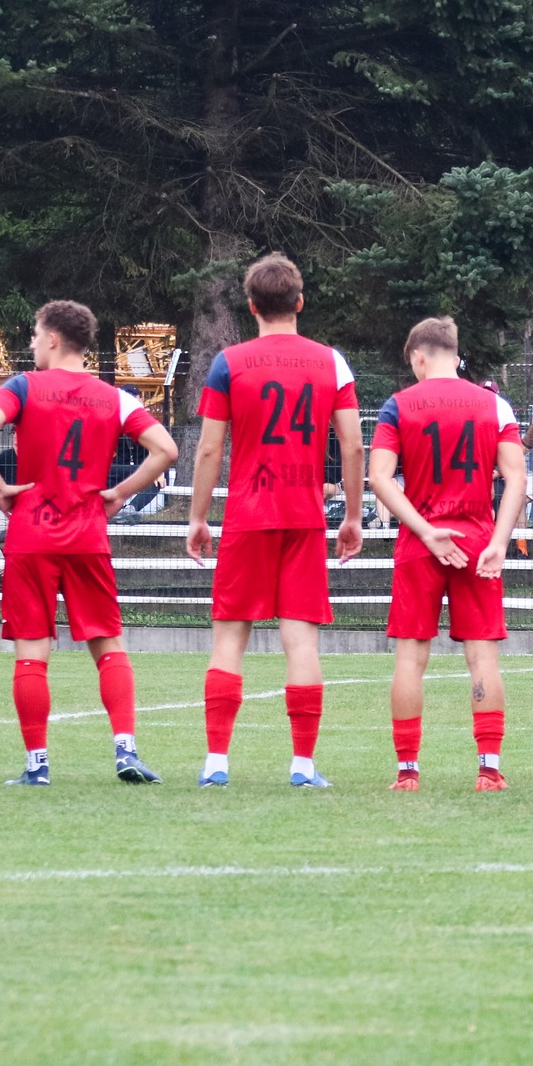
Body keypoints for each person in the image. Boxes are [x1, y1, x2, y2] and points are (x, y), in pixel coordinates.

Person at [0, 300, 179, 786]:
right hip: (87, 533)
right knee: (108, 644)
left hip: (32, 535)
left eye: (33, 335)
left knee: (31, 651)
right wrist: (120, 493)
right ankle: (126, 750)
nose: (29, 343)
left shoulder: (22, 387)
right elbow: (166, 449)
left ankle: (37, 766)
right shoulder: (114, 396)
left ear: (52, 339)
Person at [183, 254, 364, 788]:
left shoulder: (227, 361)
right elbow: (352, 445)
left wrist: (198, 516)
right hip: (304, 516)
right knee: (301, 642)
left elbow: (210, 449)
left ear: (252, 306)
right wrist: (352, 515)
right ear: (300, 303)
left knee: (228, 639)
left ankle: (217, 762)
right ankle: (302, 766)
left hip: (247, 513)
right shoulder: (331, 362)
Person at [367, 316, 525, 791]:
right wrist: (499, 541)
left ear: (418, 357)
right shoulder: (495, 405)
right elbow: (516, 478)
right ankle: (489, 769)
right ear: (455, 355)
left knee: (410, 658)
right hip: (478, 539)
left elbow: (379, 478)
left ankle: (408, 771)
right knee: (482, 658)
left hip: (421, 541)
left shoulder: (398, 405)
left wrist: (425, 529)